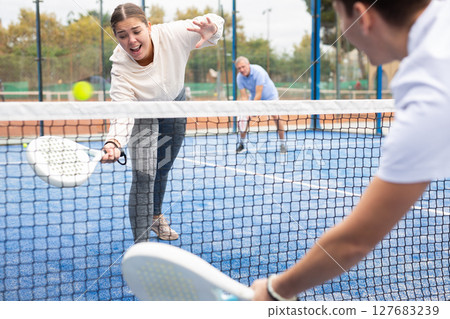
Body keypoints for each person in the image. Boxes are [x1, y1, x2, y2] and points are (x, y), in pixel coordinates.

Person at [251, 0, 450, 300]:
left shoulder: (430, 89)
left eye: (340, 16)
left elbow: (354, 242)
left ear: (361, 17)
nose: (343, 31)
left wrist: (274, 291)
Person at [101, 3, 224, 242]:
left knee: (163, 166)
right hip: (143, 113)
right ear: (116, 37)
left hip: (175, 104)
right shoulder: (120, 69)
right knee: (144, 175)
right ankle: (141, 245)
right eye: (122, 35)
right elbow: (123, 111)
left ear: (148, 27)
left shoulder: (173, 33)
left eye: (136, 31)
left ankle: (156, 216)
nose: (132, 41)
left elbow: (215, 21)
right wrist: (114, 141)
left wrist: (213, 28)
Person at [234, 56, 287, 154]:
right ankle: (241, 143)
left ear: (248, 64)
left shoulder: (259, 72)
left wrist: (253, 108)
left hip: (270, 96)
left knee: (276, 116)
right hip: (254, 96)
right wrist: (247, 110)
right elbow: (244, 96)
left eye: (243, 67)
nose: (241, 70)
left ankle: (283, 144)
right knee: (246, 118)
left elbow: (259, 93)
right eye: (239, 68)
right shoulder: (239, 78)